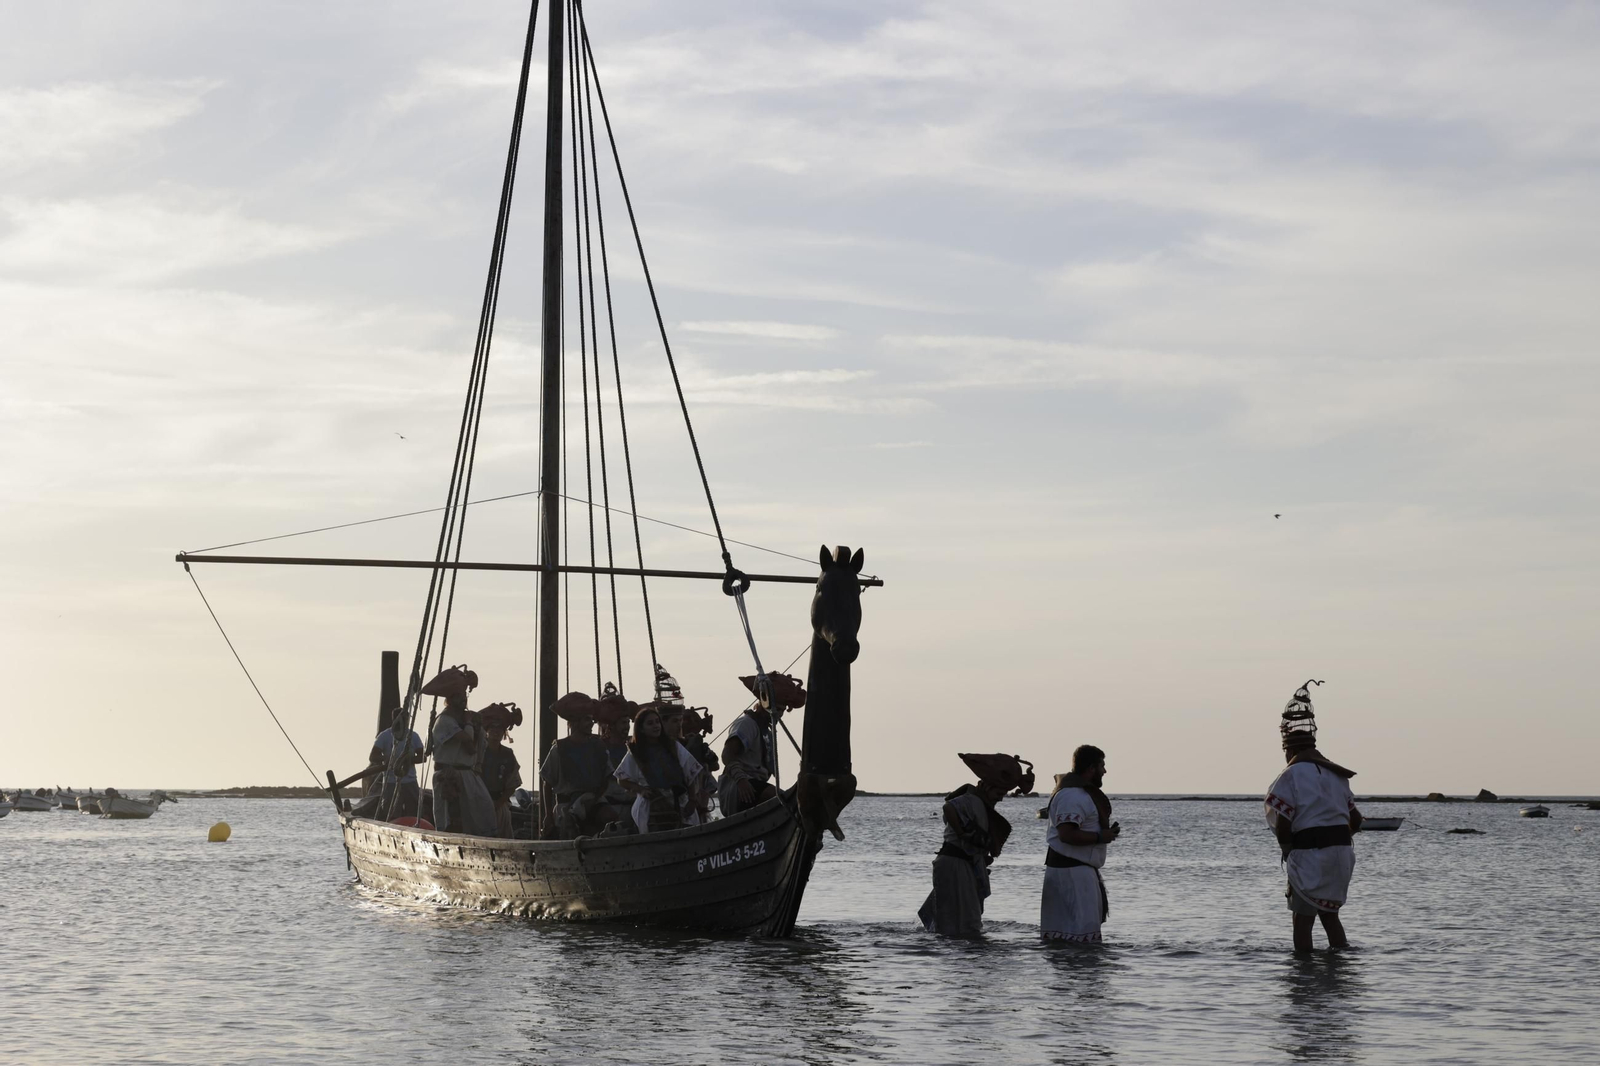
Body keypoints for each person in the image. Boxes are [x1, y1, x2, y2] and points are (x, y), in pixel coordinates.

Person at [1265, 680, 1362, 953]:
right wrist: (1335, 838)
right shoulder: (1338, 777)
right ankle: (1340, 962)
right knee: (1330, 916)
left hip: (1310, 855)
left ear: (1289, 750)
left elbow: (1284, 824)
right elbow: (1356, 821)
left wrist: (1288, 849)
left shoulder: (1290, 776)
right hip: (1341, 855)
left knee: (1302, 920)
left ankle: (1303, 972)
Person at [918, 752, 1033, 937]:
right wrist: (964, 833)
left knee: (958, 922)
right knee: (962, 923)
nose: (1000, 798)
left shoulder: (979, 804)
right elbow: (949, 808)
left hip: (961, 863)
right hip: (955, 862)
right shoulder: (972, 800)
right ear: (986, 787)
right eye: (998, 793)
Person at [1042, 745, 1119, 943]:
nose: (1105, 771)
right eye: (1102, 765)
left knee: (1069, 938)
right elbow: (1067, 834)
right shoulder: (1073, 796)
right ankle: (1081, 974)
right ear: (1091, 768)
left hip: (1072, 871)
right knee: (1082, 938)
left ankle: (1075, 973)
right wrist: (1100, 837)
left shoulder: (1075, 793)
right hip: (1072, 874)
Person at [425, 665, 498, 836]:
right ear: (450, 699)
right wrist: (468, 724)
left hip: (468, 775)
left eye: (464, 695)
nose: (463, 699)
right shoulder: (444, 721)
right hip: (449, 776)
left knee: (482, 813)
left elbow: (479, 747)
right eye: (458, 696)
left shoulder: (469, 719)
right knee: (452, 819)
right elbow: (469, 745)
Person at [613, 704, 708, 834]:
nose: (656, 726)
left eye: (657, 722)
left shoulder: (673, 746)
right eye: (650, 723)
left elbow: (690, 772)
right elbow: (621, 779)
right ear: (641, 728)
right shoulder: (636, 752)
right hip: (651, 806)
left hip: (679, 803)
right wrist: (641, 790)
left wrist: (692, 800)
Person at [537, 692, 619, 838]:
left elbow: (606, 777)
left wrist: (593, 799)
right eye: (587, 720)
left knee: (610, 817)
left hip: (594, 801)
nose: (591, 723)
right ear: (575, 722)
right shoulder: (559, 749)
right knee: (569, 830)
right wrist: (548, 815)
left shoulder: (598, 746)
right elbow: (547, 783)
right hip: (567, 805)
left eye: (592, 720)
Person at [363, 705, 424, 821]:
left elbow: (422, 757)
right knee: (390, 811)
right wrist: (389, 759)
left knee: (415, 810)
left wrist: (408, 759)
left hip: (410, 780)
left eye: (407, 719)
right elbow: (373, 757)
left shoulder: (413, 736)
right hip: (391, 781)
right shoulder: (385, 736)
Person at [479, 702, 524, 838]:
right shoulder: (479, 751)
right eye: (492, 728)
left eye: (500, 729)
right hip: (479, 802)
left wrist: (499, 803)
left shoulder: (508, 754)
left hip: (499, 803)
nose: (496, 732)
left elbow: (513, 783)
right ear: (486, 731)